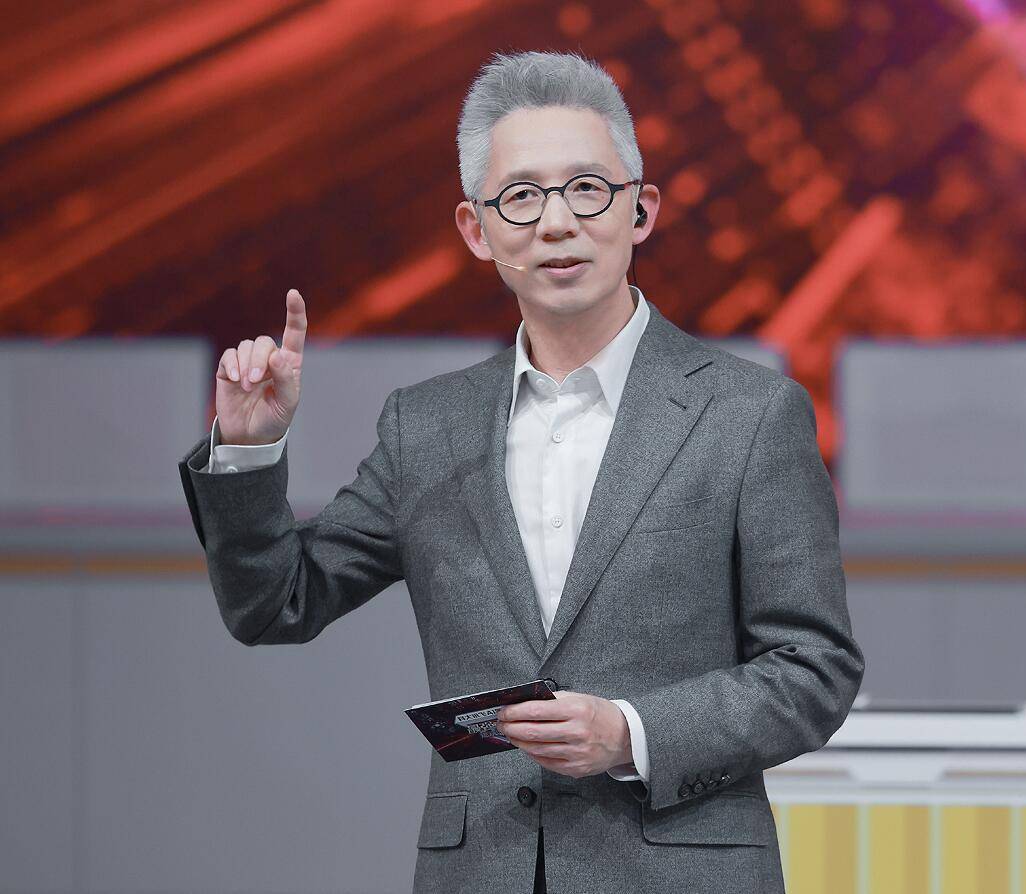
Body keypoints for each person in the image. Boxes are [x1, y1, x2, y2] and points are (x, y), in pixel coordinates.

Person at [178, 50, 864, 894]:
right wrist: (249, 449)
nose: (556, 222)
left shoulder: (748, 415)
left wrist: (631, 731)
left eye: (587, 189)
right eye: (521, 197)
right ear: (477, 230)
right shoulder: (426, 427)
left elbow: (812, 668)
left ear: (641, 210)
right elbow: (275, 603)